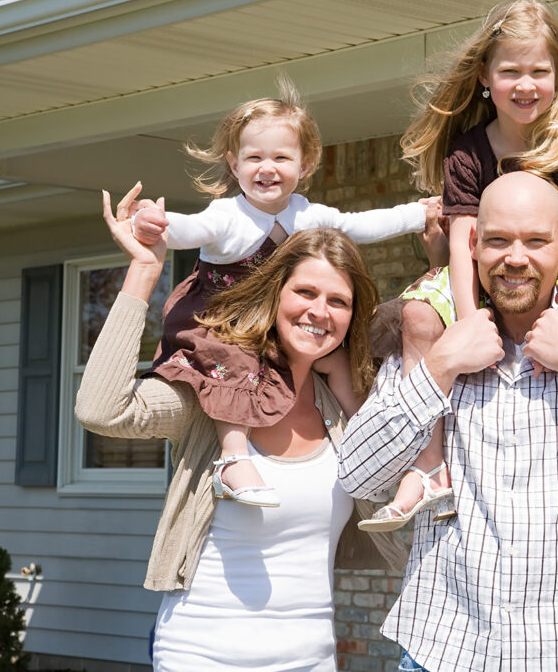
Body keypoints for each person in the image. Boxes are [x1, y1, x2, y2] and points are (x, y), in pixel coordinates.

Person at [338, 171, 558, 672]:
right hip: (443, 648)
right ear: (472, 243)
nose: (515, 257)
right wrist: (441, 368)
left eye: (535, 240)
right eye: (498, 240)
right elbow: (357, 475)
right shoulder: (435, 335)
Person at [358, 0, 558, 544]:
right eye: (510, 70)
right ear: (484, 78)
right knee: (420, 319)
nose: (526, 84)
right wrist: (470, 322)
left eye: (540, 70)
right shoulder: (468, 153)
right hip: (483, 269)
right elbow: (462, 241)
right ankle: (429, 467)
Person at [76, 185, 407, 671]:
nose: (320, 311)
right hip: (201, 654)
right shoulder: (213, 396)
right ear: (276, 296)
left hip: (310, 658)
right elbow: (101, 409)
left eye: (339, 300)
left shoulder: (340, 411)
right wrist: (145, 272)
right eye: (306, 292)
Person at [130, 79, 441, 508]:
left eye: (281, 157)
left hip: (271, 324)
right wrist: (159, 223)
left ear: (306, 164)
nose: (267, 168)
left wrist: (415, 214)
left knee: (335, 358)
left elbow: (360, 225)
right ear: (233, 163)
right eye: (253, 157)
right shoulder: (227, 215)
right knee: (234, 364)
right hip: (223, 323)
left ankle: (366, 433)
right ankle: (233, 458)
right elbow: (192, 229)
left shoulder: (308, 214)